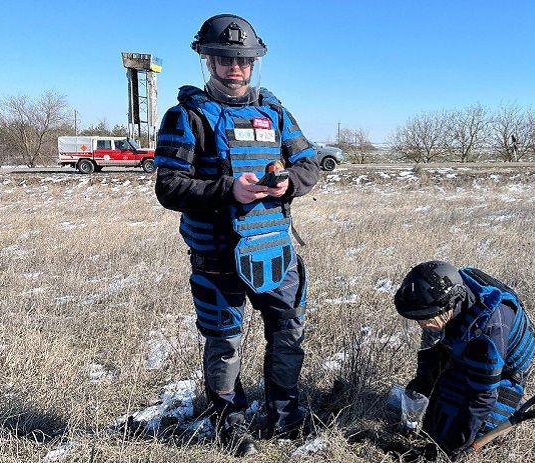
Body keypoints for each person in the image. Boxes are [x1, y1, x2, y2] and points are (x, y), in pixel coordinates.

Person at [154, 13, 320, 455]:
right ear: (207, 59)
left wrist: (289, 182)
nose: (236, 68)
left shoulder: (275, 112)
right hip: (217, 255)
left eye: (244, 60)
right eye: (225, 58)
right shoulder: (186, 117)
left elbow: (310, 164)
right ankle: (231, 422)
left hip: (274, 250)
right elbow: (168, 187)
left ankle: (285, 416)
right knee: (225, 341)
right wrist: (230, 189)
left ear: (254, 62)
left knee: (288, 331)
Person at [393, 261, 535, 459]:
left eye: (426, 317)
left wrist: (451, 447)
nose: (422, 323)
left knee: (467, 432)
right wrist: (423, 382)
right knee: (433, 423)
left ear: (450, 305)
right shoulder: (446, 300)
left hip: (506, 371)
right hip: (471, 350)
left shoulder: (487, 331)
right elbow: (435, 350)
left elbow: (483, 395)